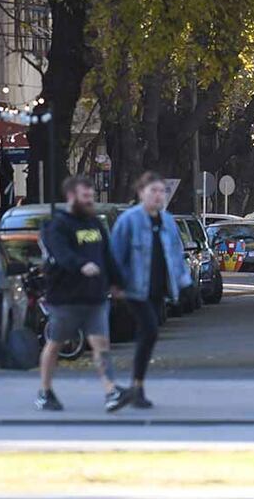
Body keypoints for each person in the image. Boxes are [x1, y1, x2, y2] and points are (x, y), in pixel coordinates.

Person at [36, 176, 131, 412]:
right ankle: (45, 391)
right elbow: (61, 254)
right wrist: (81, 265)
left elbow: (107, 256)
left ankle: (111, 391)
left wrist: (118, 282)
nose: (90, 201)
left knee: (101, 344)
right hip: (65, 298)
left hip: (95, 297)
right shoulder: (58, 225)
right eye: (85, 197)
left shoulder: (95, 224)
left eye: (92, 197)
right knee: (56, 344)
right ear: (71, 196)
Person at [111, 171, 192, 409]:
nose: (158, 196)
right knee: (149, 330)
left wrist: (185, 284)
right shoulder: (129, 220)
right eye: (153, 191)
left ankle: (136, 387)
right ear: (141, 193)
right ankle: (135, 387)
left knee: (148, 334)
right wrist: (115, 284)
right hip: (135, 288)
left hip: (158, 289)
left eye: (161, 191)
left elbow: (176, 255)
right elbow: (116, 255)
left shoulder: (167, 221)